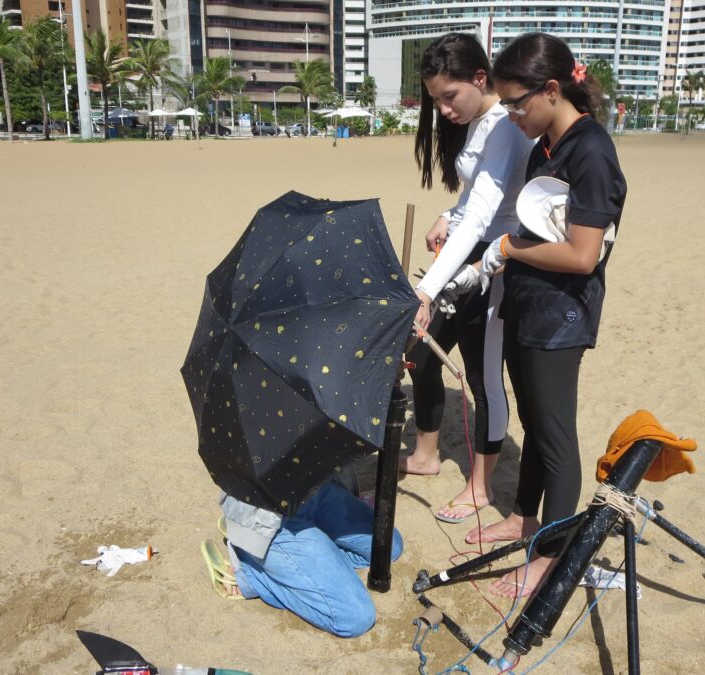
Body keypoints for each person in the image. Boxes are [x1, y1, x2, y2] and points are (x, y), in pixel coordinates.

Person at [471, 32, 627, 598]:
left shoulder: (591, 151)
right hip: (529, 307)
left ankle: (551, 563)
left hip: (561, 316)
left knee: (556, 438)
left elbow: (584, 255)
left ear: (553, 89)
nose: (511, 114)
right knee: (534, 426)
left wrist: (509, 250)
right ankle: (527, 522)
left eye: (517, 103)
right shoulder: (547, 147)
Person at [404, 33, 534, 525]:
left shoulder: (502, 126)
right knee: (422, 354)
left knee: (483, 378)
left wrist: (425, 289)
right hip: (465, 251)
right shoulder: (480, 121)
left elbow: (484, 216)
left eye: (448, 96)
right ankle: (425, 454)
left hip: (494, 263)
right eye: (435, 99)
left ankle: (480, 487)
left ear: (481, 79)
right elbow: (474, 199)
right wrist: (445, 213)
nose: (441, 109)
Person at [206, 480, 402, 638]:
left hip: (314, 487)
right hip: (268, 515)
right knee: (354, 617)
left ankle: (305, 560)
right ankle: (252, 571)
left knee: (389, 547)